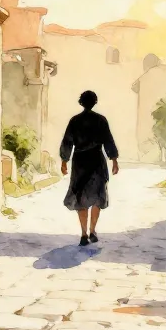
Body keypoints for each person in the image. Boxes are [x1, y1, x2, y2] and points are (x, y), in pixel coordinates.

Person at [59, 90, 120, 247]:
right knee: (98, 196)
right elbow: (108, 141)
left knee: (81, 197)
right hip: (97, 160)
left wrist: (64, 161)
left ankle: (84, 234)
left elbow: (67, 142)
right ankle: (92, 230)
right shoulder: (101, 120)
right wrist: (114, 160)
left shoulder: (75, 121)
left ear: (81, 102)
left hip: (80, 162)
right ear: (94, 102)